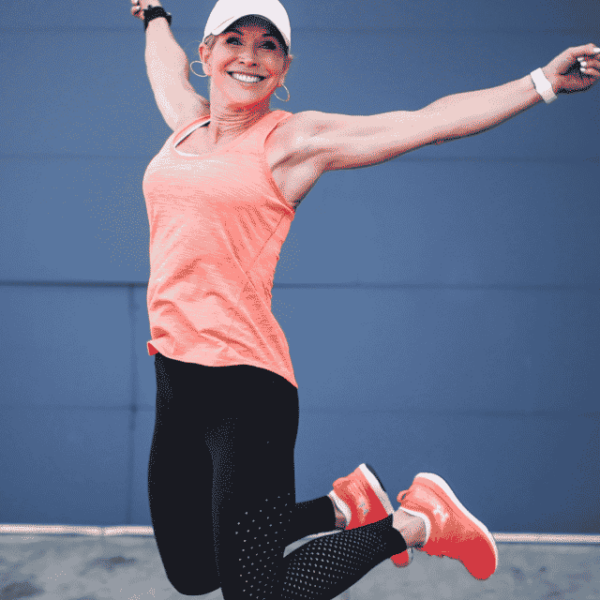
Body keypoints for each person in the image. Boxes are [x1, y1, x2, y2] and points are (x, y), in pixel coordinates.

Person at [131, 0, 599, 597]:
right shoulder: (188, 125)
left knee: (259, 594)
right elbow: (161, 69)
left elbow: (428, 120)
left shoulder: (294, 141)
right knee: (194, 572)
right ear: (207, 54)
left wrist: (542, 83)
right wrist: (155, 16)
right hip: (176, 380)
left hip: (244, 390)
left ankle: (415, 521)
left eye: (267, 45)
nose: (249, 56)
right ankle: (344, 504)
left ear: (284, 65)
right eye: (234, 41)